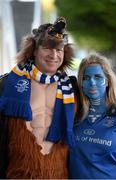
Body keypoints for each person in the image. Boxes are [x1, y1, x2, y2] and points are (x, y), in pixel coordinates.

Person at [0, 17, 77, 179]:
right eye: (48, 48)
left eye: (59, 50)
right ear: (34, 50)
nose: (54, 55)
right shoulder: (9, 83)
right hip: (19, 171)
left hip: (57, 172)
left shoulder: (72, 89)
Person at [69, 53, 116, 179]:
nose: (92, 82)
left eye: (97, 77)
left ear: (107, 81)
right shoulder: (75, 116)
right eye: (86, 78)